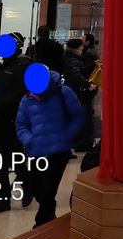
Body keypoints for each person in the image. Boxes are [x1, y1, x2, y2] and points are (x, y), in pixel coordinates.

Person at [15, 69, 85, 228]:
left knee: (47, 190)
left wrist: (67, 135)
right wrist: (29, 139)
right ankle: (49, 215)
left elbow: (78, 116)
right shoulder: (26, 100)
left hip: (59, 150)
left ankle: (40, 225)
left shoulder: (63, 92)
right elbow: (21, 125)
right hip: (36, 152)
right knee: (37, 190)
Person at [0, 33, 33, 213]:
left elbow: (22, 91)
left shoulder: (23, 64)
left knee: (15, 155)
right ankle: (4, 199)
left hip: (16, 117)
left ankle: (27, 184)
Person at [63, 38, 95, 151]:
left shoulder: (73, 58)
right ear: (77, 48)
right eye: (81, 46)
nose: (82, 48)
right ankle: (80, 143)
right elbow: (76, 75)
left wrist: (92, 65)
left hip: (75, 92)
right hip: (77, 93)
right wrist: (87, 85)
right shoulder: (73, 60)